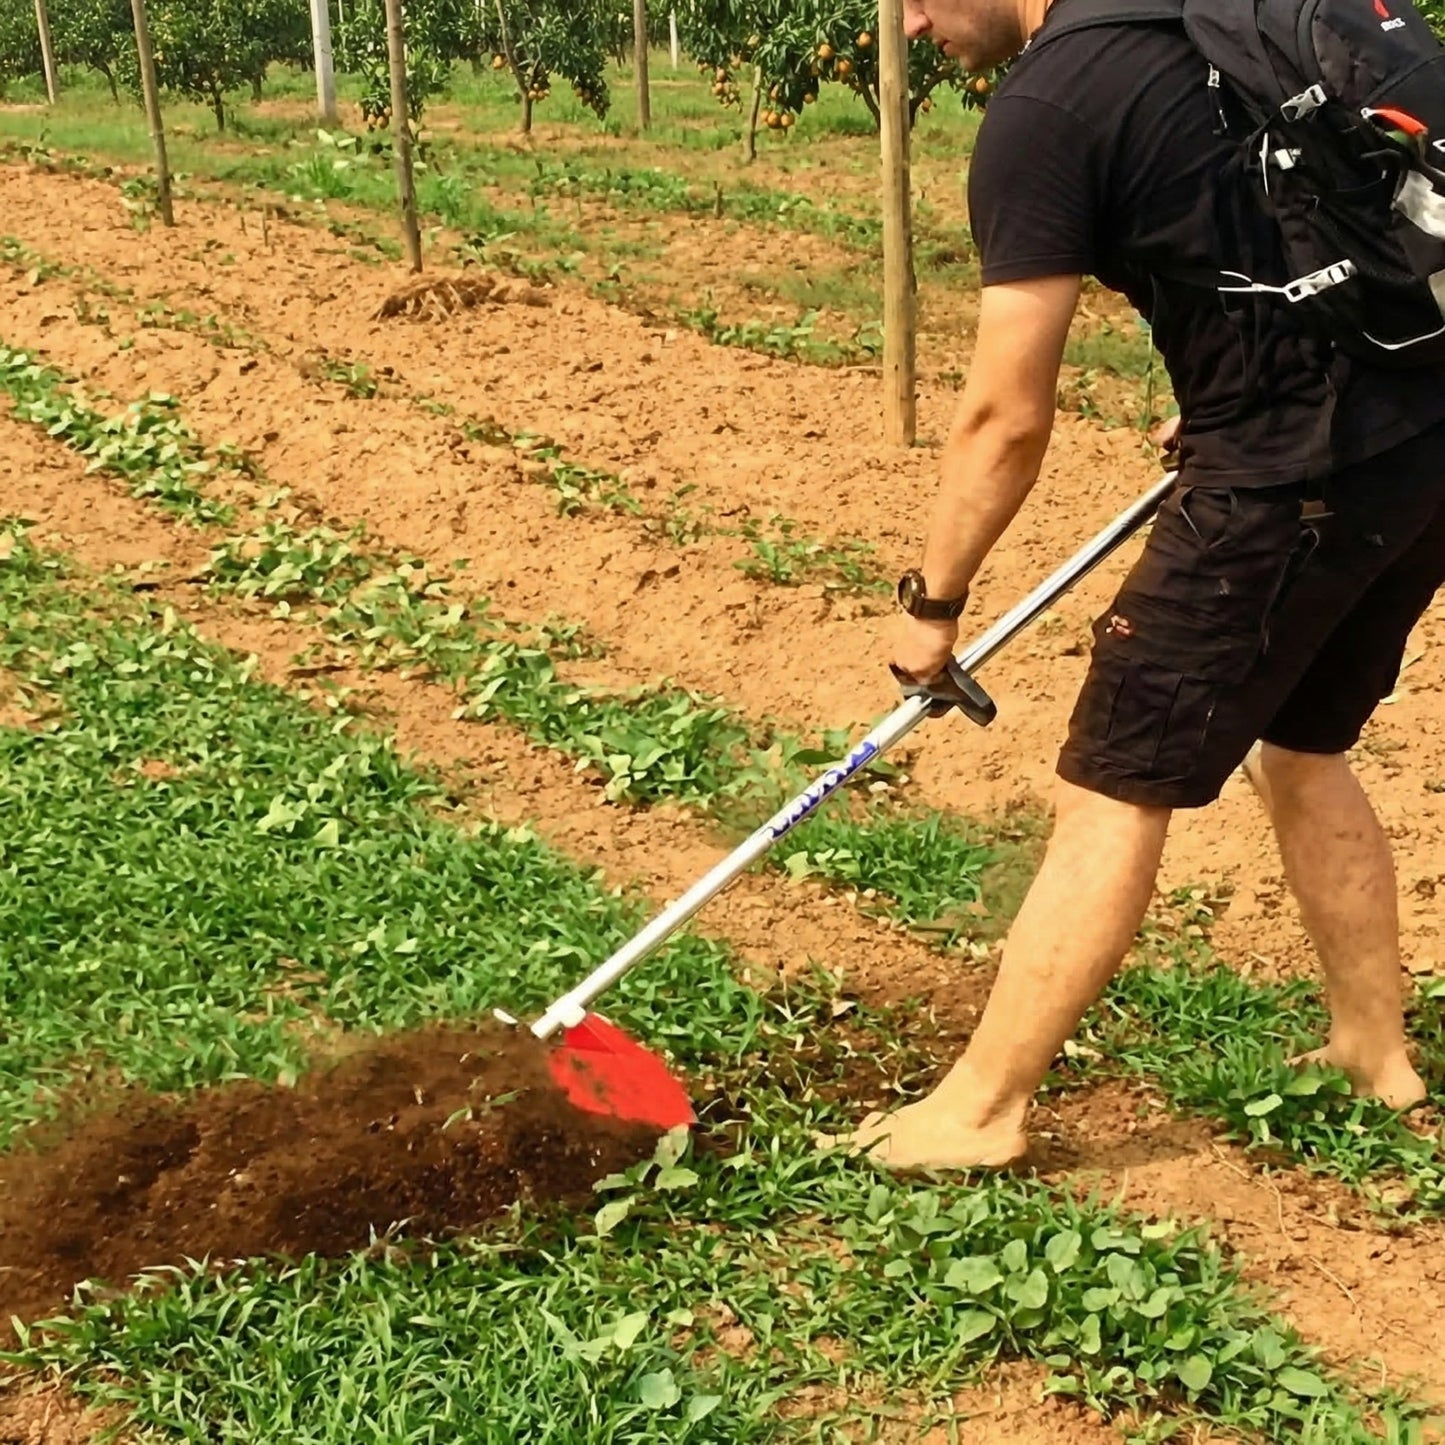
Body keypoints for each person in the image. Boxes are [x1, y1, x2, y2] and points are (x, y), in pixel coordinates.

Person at [851, 0, 1445, 1169]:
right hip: (1422, 438)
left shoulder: (1048, 106)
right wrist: (1243, 374)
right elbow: (1284, 224)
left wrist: (932, 605)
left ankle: (977, 1110)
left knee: (1116, 776)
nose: (913, 24)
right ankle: (1374, 1053)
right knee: (1303, 741)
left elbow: (1001, 417)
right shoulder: (1215, 15)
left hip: (1294, 476)